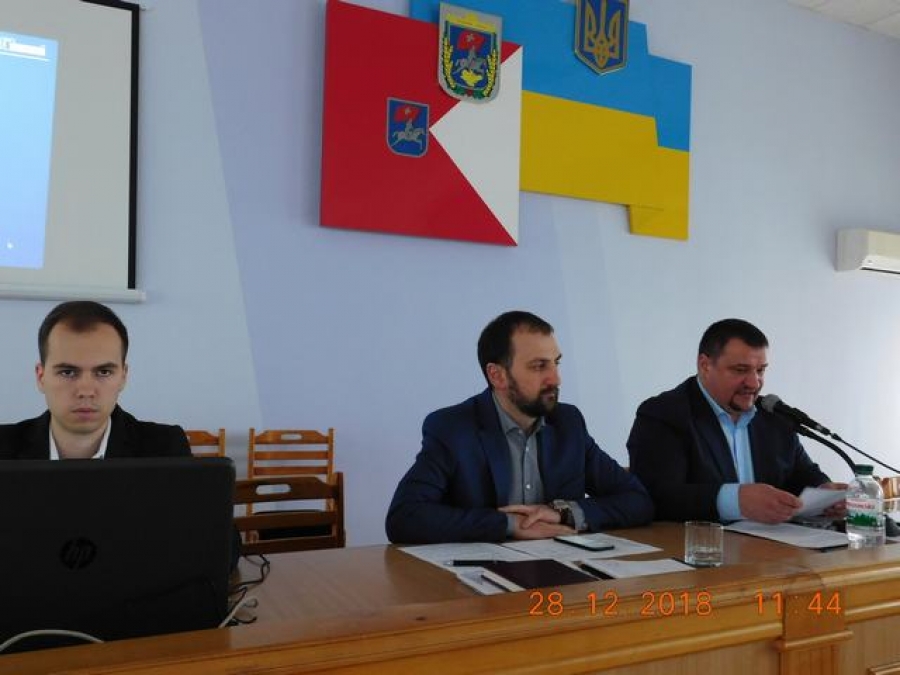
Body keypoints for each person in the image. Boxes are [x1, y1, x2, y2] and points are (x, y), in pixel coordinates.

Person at [386, 311, 653, 544]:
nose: (556, 379)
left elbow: (637, 500)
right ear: (497, 375)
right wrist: (510, 525)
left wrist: (563, 512)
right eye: (539, 366)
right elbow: (405, 516)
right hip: (484, 577)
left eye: (556, 363)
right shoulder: (453, 428)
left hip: (563, 572)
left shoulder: (568, 423)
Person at [627, 318, 843, 524]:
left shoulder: (774, 417)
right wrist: (735, 500)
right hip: (700, 546)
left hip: (774, 546)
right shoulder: (664, 414)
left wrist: (825, 493)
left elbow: (803, 475)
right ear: (705, 365)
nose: (754, 383)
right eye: (741, 370)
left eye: (760, 370)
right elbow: (657, 496)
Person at [0, 300, 191, 460]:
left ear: (123, 376)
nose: (86, 391)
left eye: (104, 372)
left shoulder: (166, 448)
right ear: (41, 377)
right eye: (67, 372)